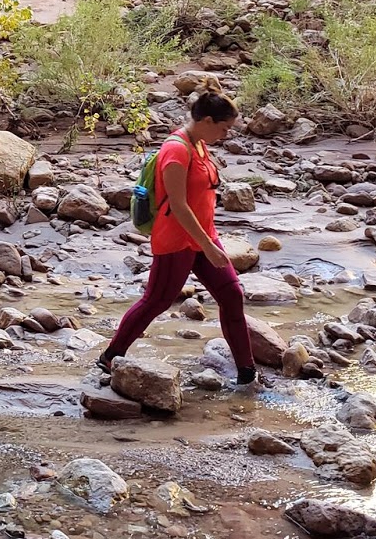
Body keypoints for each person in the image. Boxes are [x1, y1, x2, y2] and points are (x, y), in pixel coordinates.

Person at [96, 91, 258, 386]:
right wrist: (209, 246)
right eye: (224, 128)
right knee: (156, 301)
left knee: (232, 296)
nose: (225, 135)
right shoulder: (176, 150)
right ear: (207, 120)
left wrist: (209, 240)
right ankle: (110, 356)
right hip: (177, 240)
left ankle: (247, 375)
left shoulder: (199, 145)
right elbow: (179, 205)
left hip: (202, 237)